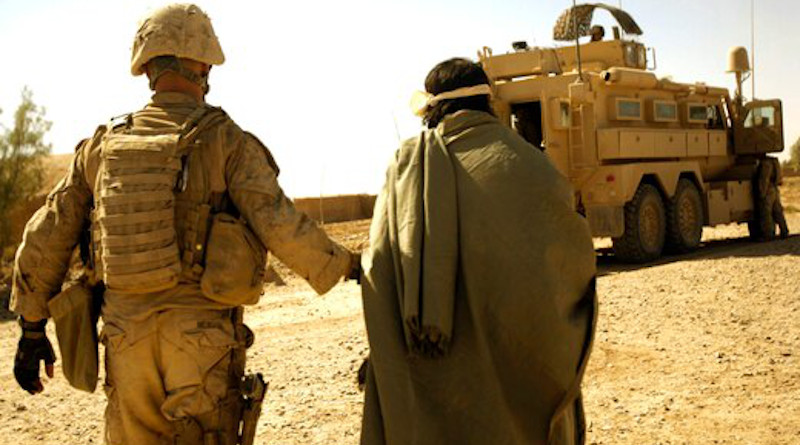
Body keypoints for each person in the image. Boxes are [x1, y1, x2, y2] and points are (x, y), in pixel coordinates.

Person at [10, 4, 357, 444]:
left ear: (147, 65)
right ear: (201, 62)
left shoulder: (102, 145)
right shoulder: (225, 138)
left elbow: (48, 235)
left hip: (124, 337)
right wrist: (348, 266)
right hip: (200, 338)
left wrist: (32, 328)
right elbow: (278, 222)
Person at [359, 58, 598, 445]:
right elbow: (571, 269)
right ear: (488, 103)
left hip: (431, 368)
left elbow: (380, 266)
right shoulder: (535, 167)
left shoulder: (405, 167)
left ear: (433, 108)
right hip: (520, 364)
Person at [757, 157, 789, 239]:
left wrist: (762, 192)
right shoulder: (773, 161)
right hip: (774, 189)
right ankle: (784, 230)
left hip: (768, 190)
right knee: (778, 211)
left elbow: (764, 179)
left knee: (766, 212)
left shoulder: (765, 163)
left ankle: (768, 234)